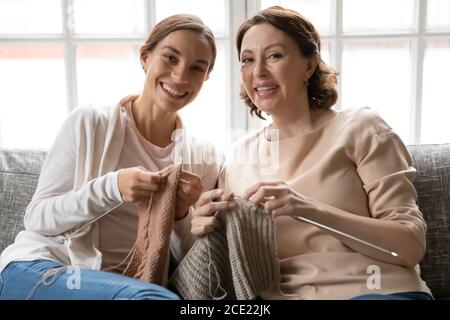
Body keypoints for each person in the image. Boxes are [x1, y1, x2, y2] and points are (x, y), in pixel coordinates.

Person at [191, 6, 433, 300]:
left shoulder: (360, 128)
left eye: (274, 55)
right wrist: (206, 229)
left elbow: (408, 246)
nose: (258, 72)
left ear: (309, 65)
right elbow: (237, 272)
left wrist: (308, 209)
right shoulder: (239, 156)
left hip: (376, 292)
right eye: (247, 60)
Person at [0, 14, 221, 300]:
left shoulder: (202, 158)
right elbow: (37, 219)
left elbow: (194, 267)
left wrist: (179, 215)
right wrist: (111, 188)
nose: (180, 76)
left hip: (124, 289)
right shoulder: (90, 123)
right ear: (145, 57)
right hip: (41, 268)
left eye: (196, 68)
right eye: (170, 58)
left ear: (206, 78)